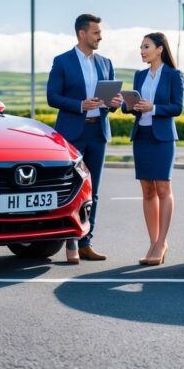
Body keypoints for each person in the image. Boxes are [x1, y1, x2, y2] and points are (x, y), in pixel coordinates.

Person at [47, 14, 121, 263]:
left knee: (94, 191)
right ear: (82, 34)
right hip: (72, 134)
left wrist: (114, 103)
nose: (100, 36)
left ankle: (87, 242)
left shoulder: (106, 63)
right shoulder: (62, 62)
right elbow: (53, 97)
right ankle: (71, 244)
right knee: (73, 189)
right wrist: (79, 104)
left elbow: (110, 101)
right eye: (96, 32)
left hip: (98, 133)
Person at [123, 32, 183, 266]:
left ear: (159, 49)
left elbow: (177, 107)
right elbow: (135, 107)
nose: (142, 50)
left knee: (162, 188)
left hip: (163, 138)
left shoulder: (173, 75)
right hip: (142, 136)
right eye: (140, 47)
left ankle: (162, 242)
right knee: (147, 190)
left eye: (146, 46)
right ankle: (153, 242)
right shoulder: (139, 76)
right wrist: (127, 105)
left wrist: (154, 107)